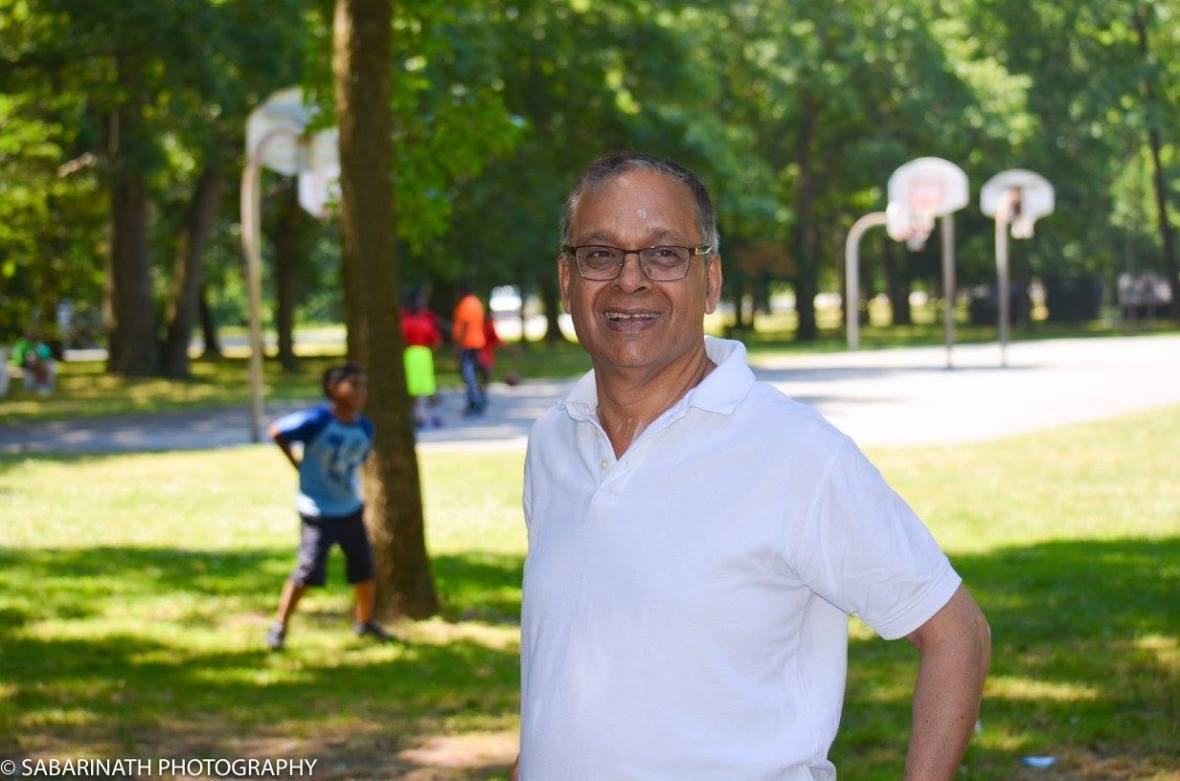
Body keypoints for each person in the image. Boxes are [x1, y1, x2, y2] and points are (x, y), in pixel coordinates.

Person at [512, 153, 990, 781]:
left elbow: (957, 634)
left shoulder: (797, 453)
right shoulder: (554, 443)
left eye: (664, 254)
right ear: (566, 279)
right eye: (600, 254)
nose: (630, 280)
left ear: (710, 281)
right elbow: (562, 676)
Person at [264, 364, 394, 650]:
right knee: (307, 569)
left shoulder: (364, 427)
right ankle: (280, 625)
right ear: (333, 389)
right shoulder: (317, 421)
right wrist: (296, 464)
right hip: (317, 510)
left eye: (363, 386)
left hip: (349, 508)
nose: (361, 392)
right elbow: (277, 431)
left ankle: (365, 621)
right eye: (353, 385)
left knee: (364, 567)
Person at [401, 287, 444, 429]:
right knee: (415, 388)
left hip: (419, 353)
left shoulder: (425, 319)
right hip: (414, 353)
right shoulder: (410, 319)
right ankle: (420, 416)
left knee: (427, 387)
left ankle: (433, 415)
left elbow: (435, 340)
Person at [452, 281, 487, 416]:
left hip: (468, 343)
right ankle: (477, 399)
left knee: (468, 374)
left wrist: (458, 346)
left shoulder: (465, 304)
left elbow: (465, 325)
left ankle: (475, 401)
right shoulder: (476, 302)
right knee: (473, 373)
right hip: (477, 342)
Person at [476, 314, 504, 390]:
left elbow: (495, 339)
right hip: (482, 352)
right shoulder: (487, 326)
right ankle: (481, 387)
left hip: (483, 351)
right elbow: (496, 339)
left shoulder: (487, 326)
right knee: (486, 368)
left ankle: (481, 387)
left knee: (485, 370)